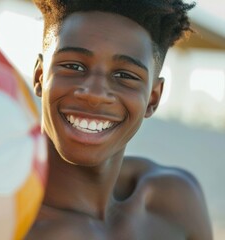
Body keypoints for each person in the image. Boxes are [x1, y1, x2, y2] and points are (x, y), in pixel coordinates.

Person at [25, 0, 213, 239]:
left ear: (153, 98)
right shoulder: (0, 222)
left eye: (124, 75)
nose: (94, 94)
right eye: (73, 66)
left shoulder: (175, 203)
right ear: (40, 76)